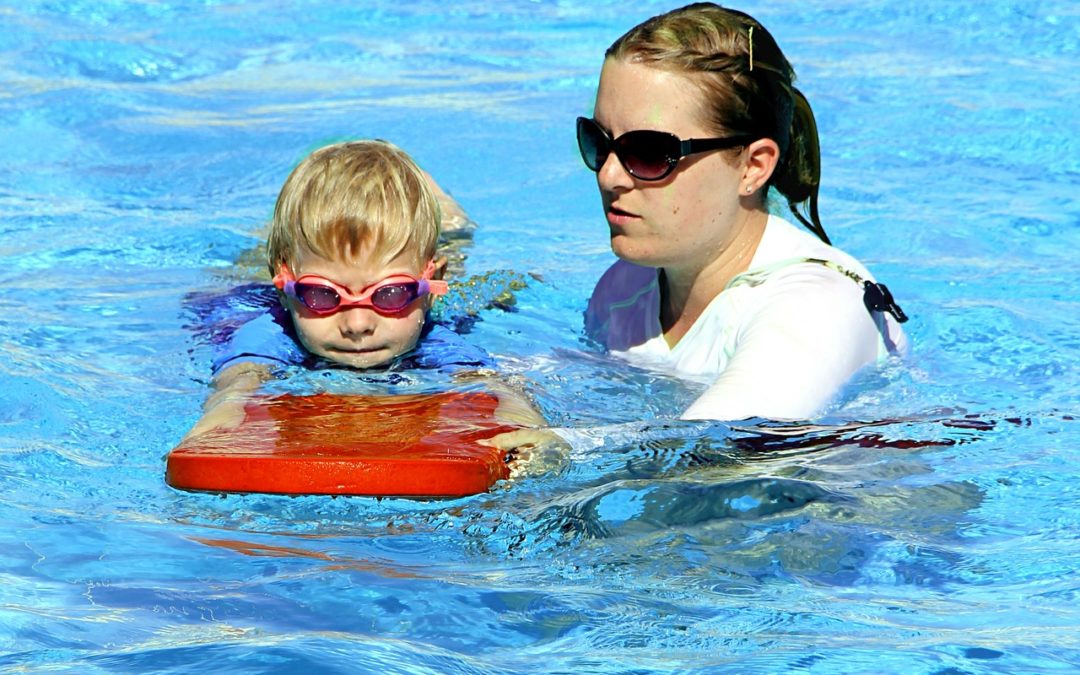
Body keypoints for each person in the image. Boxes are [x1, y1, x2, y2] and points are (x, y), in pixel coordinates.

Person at [578, 3, 908, 422]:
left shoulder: (815, 307)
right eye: (599, 141)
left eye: (647, 152)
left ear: (753, 167)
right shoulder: (625, 289)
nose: (608, 176)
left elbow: (706, 457)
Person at [183, 140, 555, 475]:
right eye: (323, 295)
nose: (357, 323)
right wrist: (223, 415)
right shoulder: (270, 331)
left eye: (390, 294)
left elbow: (488, 384)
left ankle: (453, 223)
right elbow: (241, 378)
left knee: (470, 268)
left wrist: (528, 426)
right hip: (250, 292)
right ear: (286, 289)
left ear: (426, 292)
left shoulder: (434, 336)